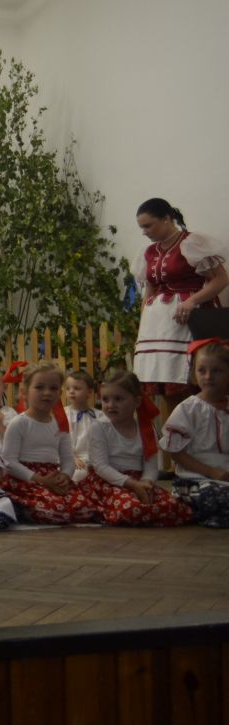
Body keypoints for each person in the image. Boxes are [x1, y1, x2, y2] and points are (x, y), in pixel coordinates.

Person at [133, 198, 228, 404]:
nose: (144, 232)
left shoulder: (192, 243)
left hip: (187, 321)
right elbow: (149, 291)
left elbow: (221, 279)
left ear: (166, 219)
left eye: (148, 225)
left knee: (193, 382)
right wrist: (142, 326)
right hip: (157, 327)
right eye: (141, 227)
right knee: (166, 387)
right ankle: (175, 424)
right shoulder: (148, 253)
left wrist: (192, 301)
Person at [82, 369, 191, 526]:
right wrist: (132, 485)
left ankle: (142, 512)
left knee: (175, 506)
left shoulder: (146, 429)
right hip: (108, 482)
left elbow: (151, 466)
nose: (110, 405)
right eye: (105, 399)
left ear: (137, 401)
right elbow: (101, 466)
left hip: (139, 482)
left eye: (118, 399)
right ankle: (128, 512)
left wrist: (146, 484)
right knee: (131, 508)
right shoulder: (99, 428)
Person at [0, 362, 97, 525]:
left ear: (60, 393)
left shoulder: (60, 424)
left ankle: (38, 505)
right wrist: (40, 480)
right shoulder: (19, 423)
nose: (47, 393)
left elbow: (67, 460)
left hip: (53, 477)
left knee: (85, 510)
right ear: (25, 392)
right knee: (56, 512)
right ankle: (19, 507)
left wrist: (65, 476)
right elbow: (9, 461)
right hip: (26, 479)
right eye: (39, 387)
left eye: (53, 388)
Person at [164, 339, 229, 527]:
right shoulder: (188, 409)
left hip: (225, 476)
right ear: (194, 374)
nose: (208, 376)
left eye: (217, 371)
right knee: (215, 497)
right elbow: (175, 453)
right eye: (202, 370)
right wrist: (211, 472)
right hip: (193, 480)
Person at [64, 370, 103, 482]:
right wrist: (71, 458)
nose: (71, 391)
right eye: (68, 388)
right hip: (69, 458)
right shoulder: (64, 414)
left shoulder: (99, 416)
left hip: (92, 459)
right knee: (74, 474)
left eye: (76, 388)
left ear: (89, 392)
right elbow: (58, 440)